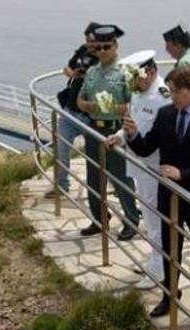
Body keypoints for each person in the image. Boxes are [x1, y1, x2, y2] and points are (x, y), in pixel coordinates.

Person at [118, 66, 190, 330]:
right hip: (168, 194)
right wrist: (132, 134)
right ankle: (169, 296)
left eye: (176, 91)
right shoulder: (165, 114)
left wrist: (183, 174)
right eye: (171, 91)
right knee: (170, 250)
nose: (172, 96)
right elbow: (146, 148)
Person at [77, 24, 142, 240]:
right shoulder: (93, 71)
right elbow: (80, 99)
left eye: (107, 47)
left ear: (115, 46)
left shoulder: (128, 71)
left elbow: (136, 104)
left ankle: (131, 219)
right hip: (94, 127)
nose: (102, 51)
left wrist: (108, 107)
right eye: (99, 47)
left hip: (116, 128)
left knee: (121, 178)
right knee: (94, 178)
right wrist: (89, 106)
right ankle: (99, 219)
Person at [114, 50, 171, 283]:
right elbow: (134, 123)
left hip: (155, 168)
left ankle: (160, 271)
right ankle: (155, 261)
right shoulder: (138, 94)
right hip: (139, 164)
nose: (133, 83)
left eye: (136, 78)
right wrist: (119, 136)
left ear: (151, 71)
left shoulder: (162, 96)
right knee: (150, 219)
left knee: (157, 221)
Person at [47, 22, 102, 199]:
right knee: (61, 149)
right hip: (71, 110)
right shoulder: (82, 50)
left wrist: (83, 76)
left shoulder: (104, 58)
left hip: (91, 116)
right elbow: (68, 68)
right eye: (86, 39)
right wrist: (74, 74)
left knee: (95, 158)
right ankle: (62, 185)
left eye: (91, 40)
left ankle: (101, 189)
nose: (88, 43)